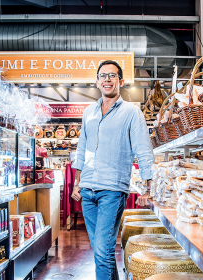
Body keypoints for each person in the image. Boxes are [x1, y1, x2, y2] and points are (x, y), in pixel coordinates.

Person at [71, 60, 154, 280]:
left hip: (112, 190)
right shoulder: (89, 111)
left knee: (103, 250)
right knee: (101, 251)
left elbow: (143, 149)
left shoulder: (131, 112)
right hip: (87, 190)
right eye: (103, 75)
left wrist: (148, 187)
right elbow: (82, 148)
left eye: (112, 75)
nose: (107, 79)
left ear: (121, 81)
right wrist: (77, 182)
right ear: (97, 81)